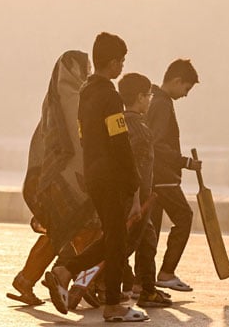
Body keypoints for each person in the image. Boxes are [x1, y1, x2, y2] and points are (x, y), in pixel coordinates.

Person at [43, 32, 148, 322]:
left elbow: (85, 136)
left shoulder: (86, 91)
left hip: (94, 173)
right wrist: (133, 183)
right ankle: (113, 304)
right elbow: (119, 141)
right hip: (112, 177)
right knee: (117, 242)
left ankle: (65, 271)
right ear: (113, 63)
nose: (122, 67)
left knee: (115, 237)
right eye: (122, 61)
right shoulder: (109, 95)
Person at [10, 50, 100, 305]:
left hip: (53, 179)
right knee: (85, 230)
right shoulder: (72, 100)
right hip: (69, 180)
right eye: (85, 68)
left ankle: (30, 279)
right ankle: (81, 282)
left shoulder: (53, 100)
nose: (88, 72)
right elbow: (80, 143)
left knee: (64, 231)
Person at [117, 73, 172, 308]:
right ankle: (144, 288)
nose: (150, 100)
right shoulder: (139, 128)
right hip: (137, 198)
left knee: (133, 241)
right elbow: (136, 168)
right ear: (140, 97)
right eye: (148, 95)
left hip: (128, 195)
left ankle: (135, 284)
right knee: (137, 242)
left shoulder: (120, 122)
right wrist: (138, 200)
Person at [148, 59, 200, 292]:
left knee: (150, 229)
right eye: (187, 88)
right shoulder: (162, 104)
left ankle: (143, 281)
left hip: (153, 177)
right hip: (163, 176)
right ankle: (167, 272)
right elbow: (157, 144)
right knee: (184, 217)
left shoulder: (154, 99)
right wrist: (185, 162)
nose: (187, 95)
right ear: (177, 81)